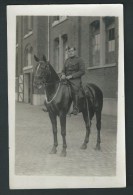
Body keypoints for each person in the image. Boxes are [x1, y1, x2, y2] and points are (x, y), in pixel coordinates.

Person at [61, 46, 85, 115]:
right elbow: (63, 70)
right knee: (58, 86)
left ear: (75, 51)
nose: (70, 53)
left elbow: (82, 71)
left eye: (71, 51)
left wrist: (71, 76)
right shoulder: (66, 61)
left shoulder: (79, 60)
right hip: (66, 79)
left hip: (75, 80)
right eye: (69, 51)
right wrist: (63, 74)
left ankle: (75, 108)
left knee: (74, 89)